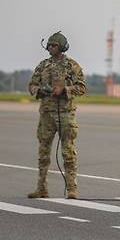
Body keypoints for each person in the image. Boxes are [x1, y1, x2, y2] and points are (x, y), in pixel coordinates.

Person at [27, 31, 86, 199]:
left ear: (61, 47)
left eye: (53, 45)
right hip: (46, 114)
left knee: (68, 151)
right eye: (49, 45)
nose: (50, 48)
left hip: (65, 114)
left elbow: (81, 87)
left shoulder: (72, 66)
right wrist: (39, 90)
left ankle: (72, 189)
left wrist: (65, 90)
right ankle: (41, 188)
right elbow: (32, 84)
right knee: (43, 152)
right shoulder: (43, 65)